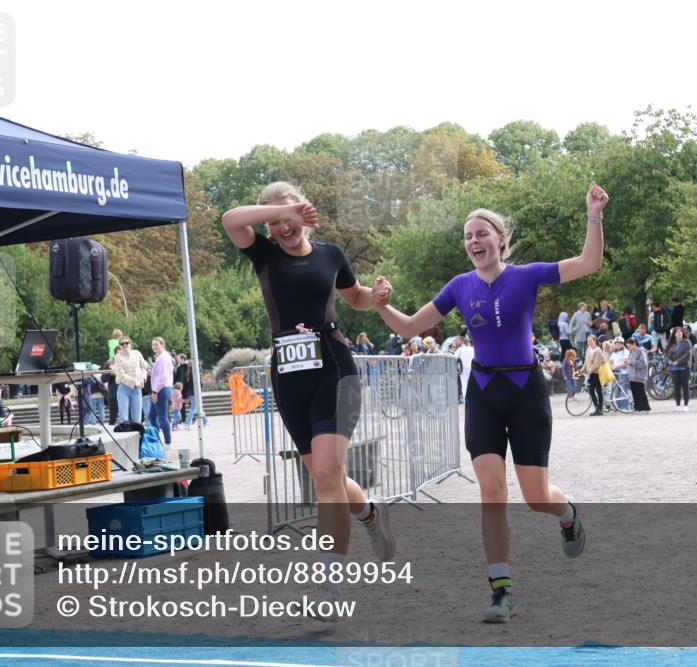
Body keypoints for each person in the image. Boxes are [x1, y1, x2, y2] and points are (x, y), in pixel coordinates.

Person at [372, 181, 608, 623]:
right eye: (467, 236)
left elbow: (589, 262)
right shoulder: (460, 286)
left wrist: (593, 214)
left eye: (481, 233)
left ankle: (568, 514)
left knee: (536, 496)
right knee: (492, 491)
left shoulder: (528, 275)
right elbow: (408, 329)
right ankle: (501, 590)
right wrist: (382, 304)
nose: (474, 241)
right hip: (482, 392)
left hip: (525, 391)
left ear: (500, 239)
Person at [222, 181, 396, 608]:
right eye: (276, 221)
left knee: (324, 478)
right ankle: (370, 512)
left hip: (334, 369)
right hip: (288, 376)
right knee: (328, 477)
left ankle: (329, 586)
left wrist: (376, 298)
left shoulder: (331, 253)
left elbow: (355, 297)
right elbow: (229, 220)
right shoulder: (263, 254)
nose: (285, 228)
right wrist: (279, 212)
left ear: (305, 213)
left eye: (292, 218)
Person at [114, 336, 146, 423]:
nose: (125, 345)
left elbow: (143, 368)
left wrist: (143, 378)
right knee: (124, 418)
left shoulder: (137, 353)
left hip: (137, 388)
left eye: (126, 343)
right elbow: (121, 374)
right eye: (122, 344)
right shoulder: (117, 357)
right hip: (124, 388)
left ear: (130, 344)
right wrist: (135, 381)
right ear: (120, 346)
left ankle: (138, 435)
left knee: (137, 418)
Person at [149, 337, 175, 444]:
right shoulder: (163, 357)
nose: (154, 346)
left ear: (162, 345)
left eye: (156, 344)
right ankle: (158, 440)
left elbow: (163, 377)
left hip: (161, 389)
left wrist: (155, 391)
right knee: (152, 416)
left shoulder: (163, 357)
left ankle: (168, 442)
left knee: (162, 417)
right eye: (153, 344)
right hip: (162, 388)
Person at [667, 327, 693, 412]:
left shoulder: (687, 342)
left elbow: (687, 355)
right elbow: (666, 355)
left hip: (684, 368)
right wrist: (669, 360)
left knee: (685, 386)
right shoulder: (671, 344)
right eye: (677, 332)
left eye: (681, 332)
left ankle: (686, 405)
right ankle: (677, 405)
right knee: (676, 387)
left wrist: (677, 362)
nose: (679, 333)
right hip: (674, 369)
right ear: (674, 334)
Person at [625, 337, 650, 412]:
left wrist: (632, 362)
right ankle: (638, 408)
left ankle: (645, 408)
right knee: (635, 393)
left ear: (634, 344)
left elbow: (644, 364)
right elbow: (631, 361)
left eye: (629, 346)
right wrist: (628, 362)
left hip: (639, 376)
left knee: (641, 392)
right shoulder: (632, 351)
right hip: (632, 375)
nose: (629, 348)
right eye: (628, 346)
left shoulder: (641, 351)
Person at [608, 336, 631, 411]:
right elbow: (610, 361)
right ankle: (618, 406)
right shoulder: (614, 353)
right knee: (616, 390)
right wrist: (611, 367)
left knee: (623, 390)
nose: (618, 345)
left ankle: (625, 407)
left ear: (622, 344)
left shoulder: (626, 352)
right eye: (616, 343)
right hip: (615, 373)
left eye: (619, 343)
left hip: (623, 373)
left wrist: (616, 367)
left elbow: (626, 364)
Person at [455, 337, 475, 402]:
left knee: (464, 384)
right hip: (472, 368)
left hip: (463, 369)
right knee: (471, 384)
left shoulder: (460, 349)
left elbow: (455, 357)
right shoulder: (472, 349)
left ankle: (466, 400)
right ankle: (472, 399)